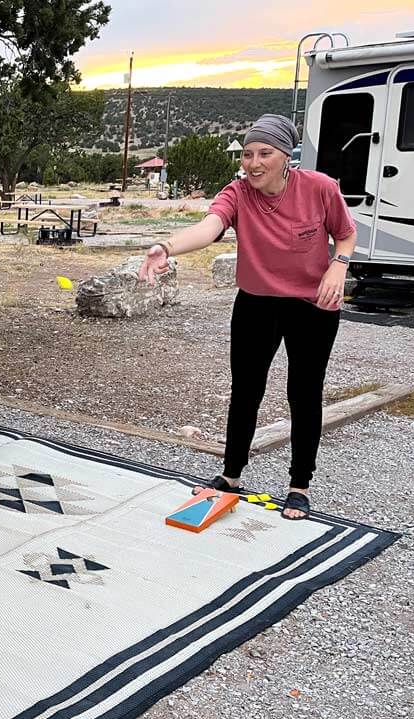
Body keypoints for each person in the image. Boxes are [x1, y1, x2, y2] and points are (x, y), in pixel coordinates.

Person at [138, 114, 356, 520]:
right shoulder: (237, 193)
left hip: (312, 305)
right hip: (256, 303)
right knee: (246, 391)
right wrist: (165, 246)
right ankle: (231, 475)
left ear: (286, 156)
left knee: (304, 392)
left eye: (264, 154)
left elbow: (345, 233)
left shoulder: (320, 188)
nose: (253, 163)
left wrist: (338, 265)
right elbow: (209, 226)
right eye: (248, 154)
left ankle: (299, 485)